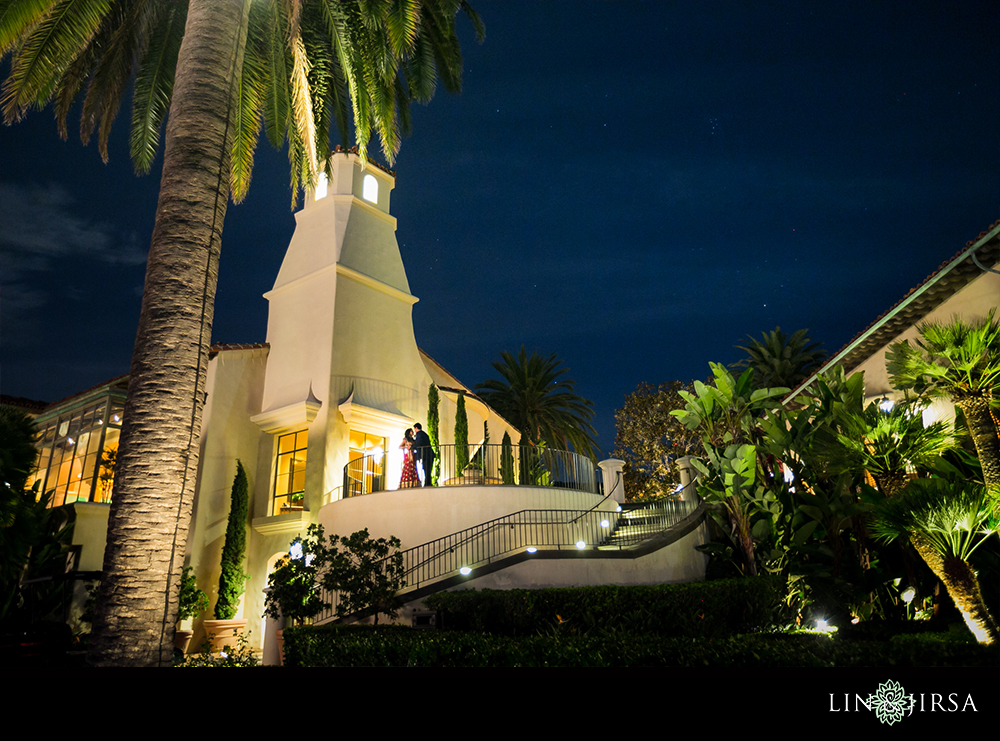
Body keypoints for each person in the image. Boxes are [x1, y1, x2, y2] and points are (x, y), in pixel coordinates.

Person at [412, 422, 435, 487]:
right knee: (428, 469)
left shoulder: (419, 434)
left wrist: (412, 446)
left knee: (426, 469)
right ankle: (428, 483)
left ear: (416, 428)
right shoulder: (424, 434)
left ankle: (427, 483)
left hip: (426, 455)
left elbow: (419, 444)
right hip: (429, 454)